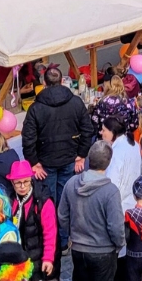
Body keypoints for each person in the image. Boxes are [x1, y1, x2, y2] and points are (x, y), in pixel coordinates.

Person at [22, 65, 95, 257]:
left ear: (44, 83)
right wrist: (81, 154)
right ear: (62, 81)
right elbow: (88, 130)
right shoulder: (76, 103)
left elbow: (28, 139)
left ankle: (50, 244)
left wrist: (34, 162)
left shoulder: (36, 108)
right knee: (65, 203)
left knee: (47, 204)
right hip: (69, 160)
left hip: (45, 163)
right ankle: (62, 242)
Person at [58, 141, 125, 281]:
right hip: (103, 252)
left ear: (89, 159)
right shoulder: (110, 192)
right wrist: (119, 244)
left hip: (79, 249)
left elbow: (62, 215)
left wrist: (72, 235)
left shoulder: (71, 183)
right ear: (108, 162)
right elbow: (116, 227)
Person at [6, 161, 56, 281]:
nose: (22, 186)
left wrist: (48, 258)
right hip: (18, 261)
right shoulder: (9, 201)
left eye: (26, 181)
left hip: (38, 261)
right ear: (12, 183)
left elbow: (50, 232)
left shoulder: (42, 201)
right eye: (18, 183)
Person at [100, 118, 142, 214]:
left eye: (104, 130)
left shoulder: (116, 152)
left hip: (119, 208)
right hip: (133, 203)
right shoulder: (134, 144)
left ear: (112, 132)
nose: (101, 133)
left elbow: (112, 182)